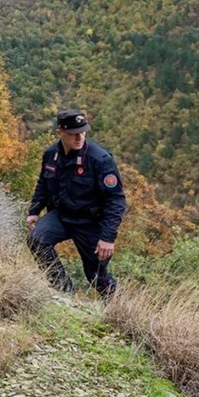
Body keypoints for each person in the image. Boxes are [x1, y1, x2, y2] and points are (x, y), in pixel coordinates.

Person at [26, 109, 127, 299]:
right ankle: (64, 294)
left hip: (90, 222)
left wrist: (107, 237)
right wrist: (34, 210)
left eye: (83, 131)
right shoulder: (51, 155)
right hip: (62, 215)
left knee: (96, 276)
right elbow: (43, 183)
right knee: (37, 240)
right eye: (73, 133)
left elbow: (116, 201)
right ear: (60, 133)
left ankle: (120, 306)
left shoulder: (100, 159)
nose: (79, 137)